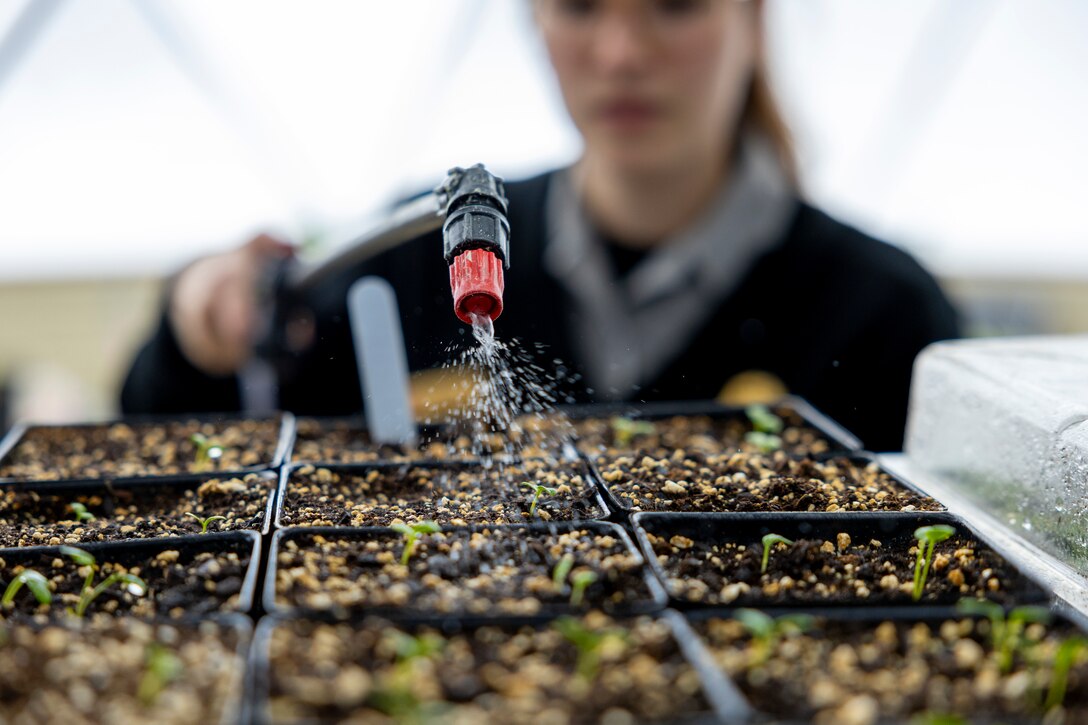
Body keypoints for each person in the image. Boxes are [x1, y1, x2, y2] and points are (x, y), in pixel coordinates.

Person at [121, 0, 959, 451]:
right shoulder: (417, 256)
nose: (622, 53)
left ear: (755, 21)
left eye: (677, 4)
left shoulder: (882, 313)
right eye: (580, 5)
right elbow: (179, 433)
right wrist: (200, 325)